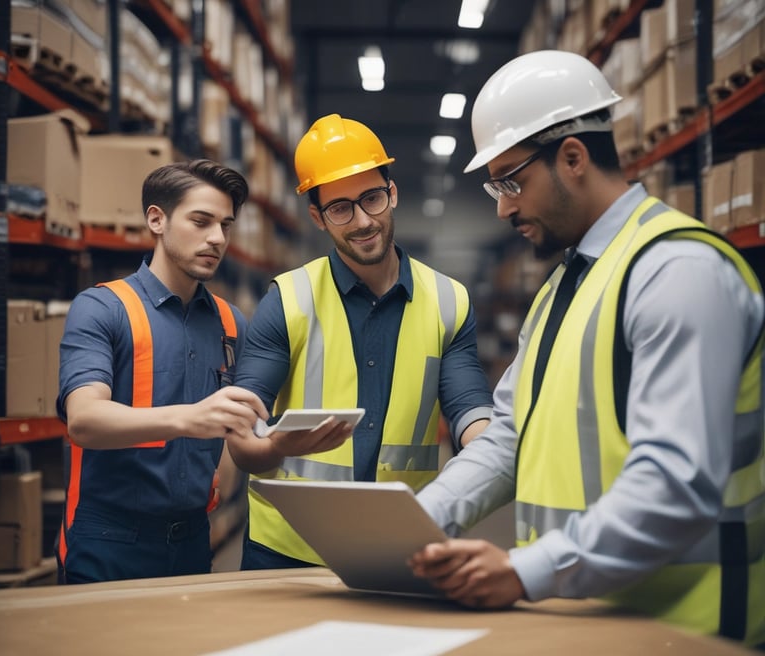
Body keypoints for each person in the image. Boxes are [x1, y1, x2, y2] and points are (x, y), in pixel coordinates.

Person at [408, 50, 765, 647]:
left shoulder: (678, 273)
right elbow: (507, 439)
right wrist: (415, 524)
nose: (503, 207)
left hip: (684, 631)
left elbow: (675, 481)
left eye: (510, 181)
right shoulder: (564, 288)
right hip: (575, 618)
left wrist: (524, 570)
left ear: (572, 157)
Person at [55, 159, 349, 584]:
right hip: (108, 539)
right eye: (201, 221)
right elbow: (84, 421)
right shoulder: (103, 308)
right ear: (157, 219)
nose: (217, 238)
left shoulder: (231, 324)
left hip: (193, 537)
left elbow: (242, 443)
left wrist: (284, 445)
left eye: (226, 225)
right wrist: (191, 418)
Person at [227, 114, 494, 570]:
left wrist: (493, 453)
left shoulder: (450, 301)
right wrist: (276, 448)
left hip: (401, 539)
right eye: (341, 208)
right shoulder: (288, 300)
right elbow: (242, 437)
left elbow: (470, 410)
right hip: (291, 547)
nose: (363, 220)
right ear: (318, 217)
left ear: (392, 194)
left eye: (372, 198)